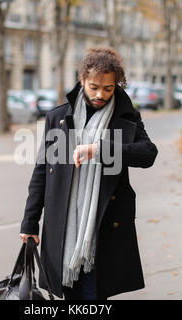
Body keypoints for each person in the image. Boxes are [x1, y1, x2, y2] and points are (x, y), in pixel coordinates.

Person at [20, 47, 158, 300]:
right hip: (63, 225)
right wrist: (30, 222)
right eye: (94, 86)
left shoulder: (125, 117)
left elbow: (148, 154)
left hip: (102, 228)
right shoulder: (58, 118)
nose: (100, 94)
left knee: (93, 295)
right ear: (82, 79)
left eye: (108, 88)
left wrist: (100, 149)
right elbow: (41, 172)